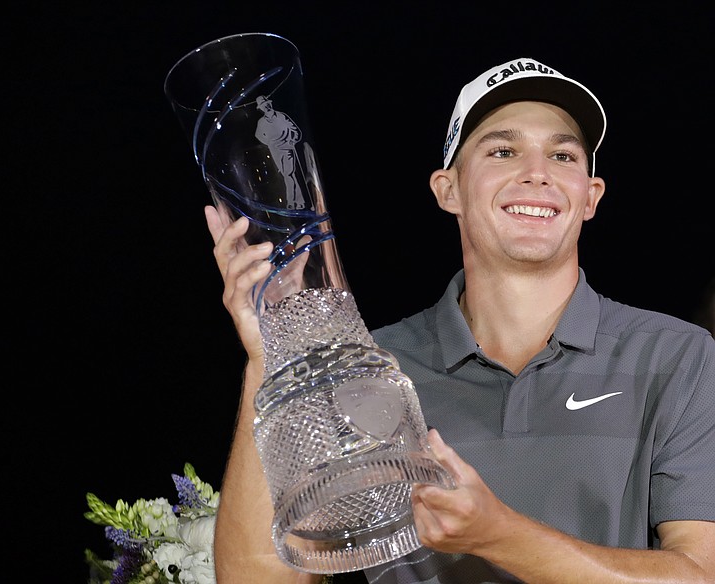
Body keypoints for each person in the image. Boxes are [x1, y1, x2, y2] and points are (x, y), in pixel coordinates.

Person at [204, 57, 715, 583]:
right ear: (448, 189)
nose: (537, 172)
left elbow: (699, 575)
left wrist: (498, 535)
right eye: (503, 150)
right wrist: (273, 357)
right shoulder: (363, 366)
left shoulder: (676, 357)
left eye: (562, 155)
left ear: (591, 196)